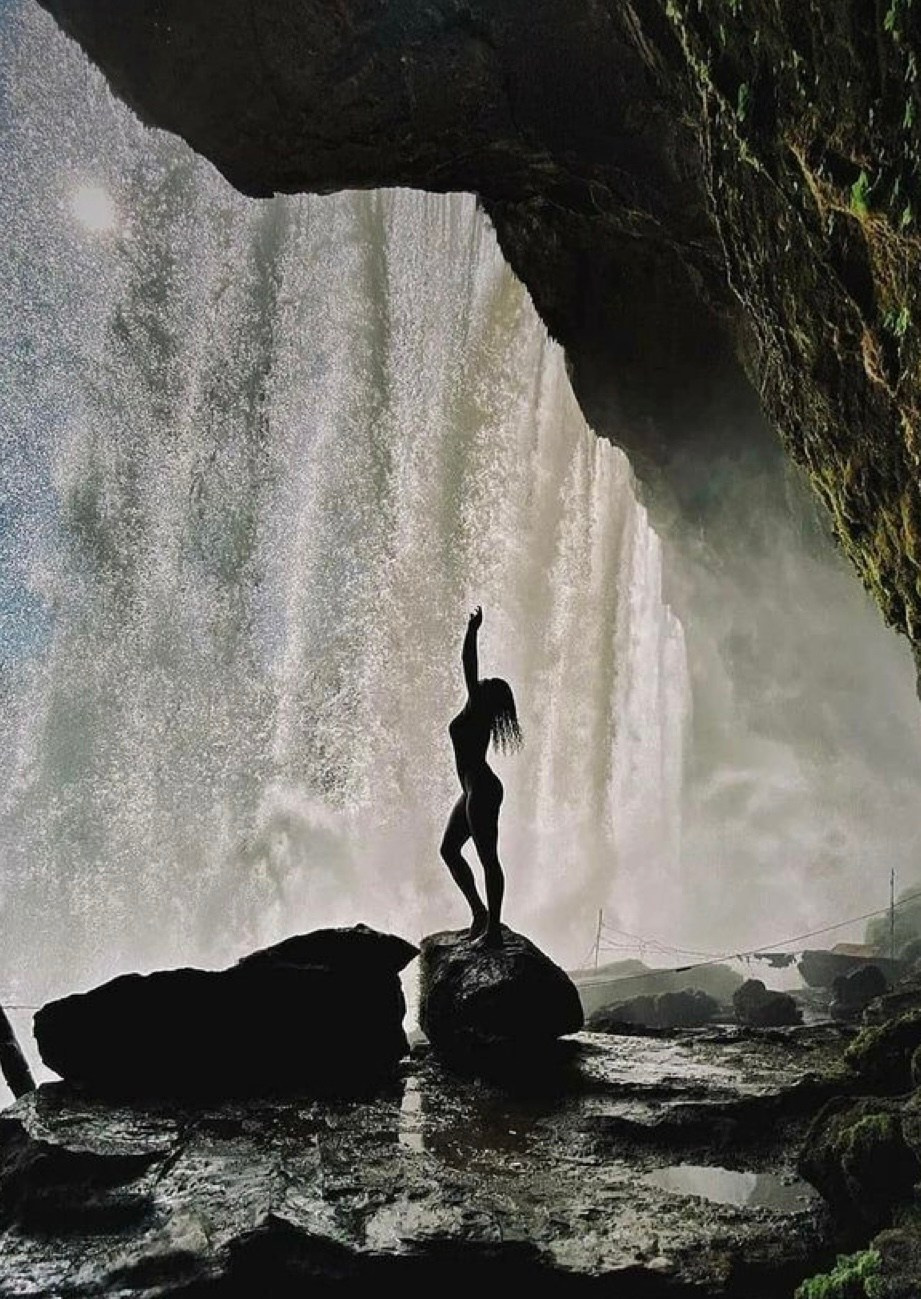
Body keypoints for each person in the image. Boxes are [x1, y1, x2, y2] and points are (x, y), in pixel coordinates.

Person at [439, 606, 522, 946]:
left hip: (482, 790)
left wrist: (472, 631)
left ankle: (493, 931)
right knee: (449, 850)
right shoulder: (477, 711)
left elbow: (468, 665)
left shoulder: (477, 707)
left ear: (487, 697)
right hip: (472, 790)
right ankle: (480, 913)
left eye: (487, 684)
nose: (483, 681)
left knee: (489, 858)